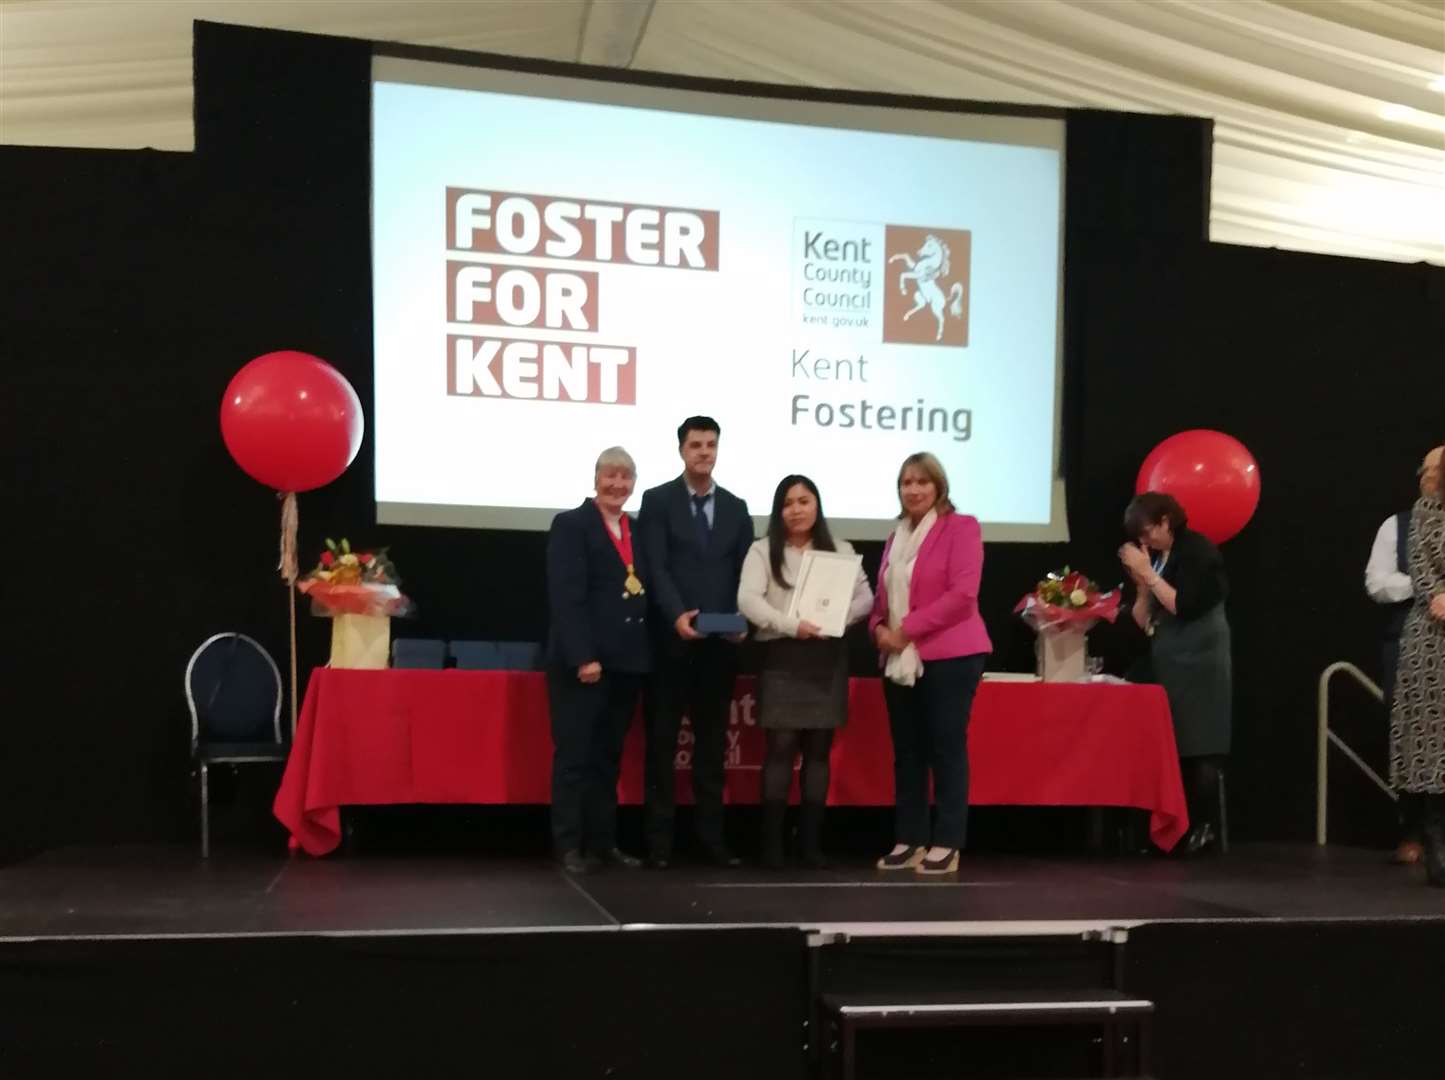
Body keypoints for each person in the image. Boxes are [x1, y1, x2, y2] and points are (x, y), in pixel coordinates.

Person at [737, 475, 873, 868]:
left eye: (804, 501)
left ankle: (811, 844)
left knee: (818, 754)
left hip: (826, 657)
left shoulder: (840, 550)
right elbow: (747, 598)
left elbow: (866, 597)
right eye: (788, 503)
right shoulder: (763, 551)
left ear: (817, 506)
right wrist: (789, 624)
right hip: (781, 656)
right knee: (779, 751)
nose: (796, 510)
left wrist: (836, 620)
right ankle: (772, 846)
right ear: (779, 511)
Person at [638, 416, 754, 868]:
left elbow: (748, 572)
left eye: (710, 445)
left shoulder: (736, 507)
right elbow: (654, 566)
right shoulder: (657, 500)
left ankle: (711, 839)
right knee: (662, 746)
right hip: (671, 643)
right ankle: (659, 844)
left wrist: (744, 619)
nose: (703, 452)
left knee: (711, 748)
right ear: (681, 450)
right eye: (695, 445)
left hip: (720, 646)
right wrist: (676, 615)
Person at [870, 452, 991, 876]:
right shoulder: (895, 536)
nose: (914, 489)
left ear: (939, 486)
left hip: (951, 655)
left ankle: (947, 841)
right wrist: (879, 630)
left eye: (922, 481)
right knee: (907, 752)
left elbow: (962, 596)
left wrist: (906, 630)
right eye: (906, 482)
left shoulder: (962, 528)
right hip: (900, 657)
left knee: (946, 748)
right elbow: (883, 599)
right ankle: (910, 838)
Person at [543, 447, 650, 875]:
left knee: (609, 759)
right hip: (581, 664)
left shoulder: (637, 530)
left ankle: (603, 844)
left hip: (626, 664)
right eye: (610, 476)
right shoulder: (571, 525)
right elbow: (566, 597)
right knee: (574, 758)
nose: (617, 484)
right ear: (595, 478)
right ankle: (568, 845)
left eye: (625, 477)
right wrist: (583, 656)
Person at [1119, 491, 1232, 856]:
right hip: (1168, 656)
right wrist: (1140, 584)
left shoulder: (1199, 552)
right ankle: (1167, 828)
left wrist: (1148, 574)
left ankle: (1206, 826)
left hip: (1200, 657)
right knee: (1166, 742)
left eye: (1149, 532)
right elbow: (1142, 619)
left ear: (1167, 521)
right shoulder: (1158, 556)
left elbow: (1183, 605)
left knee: (1201, 744)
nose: (1146, 541)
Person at [1365, 463, 1430, 864]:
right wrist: (1425, 585)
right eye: (1429, 471)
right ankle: (1414, 831)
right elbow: (1377, 582)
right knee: (1411, 738)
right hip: (1409, 645)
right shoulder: (1398, 526)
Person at [1389, 444, 1445, 887]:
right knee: (1429, 741)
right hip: (1432, 639)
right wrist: (1436, 595)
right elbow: (1422, 567)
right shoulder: (1426, 510)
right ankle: (1434, 841)